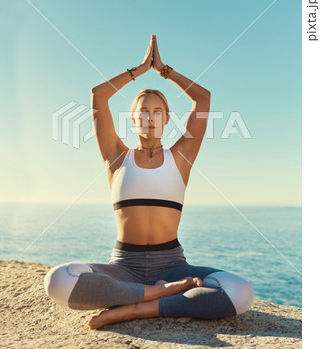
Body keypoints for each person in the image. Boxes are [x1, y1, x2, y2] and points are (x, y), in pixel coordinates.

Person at [44, 35, 254, 330]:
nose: (150, 118)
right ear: (132, 119)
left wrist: (166, 72)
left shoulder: (180, 157)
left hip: (173, 266)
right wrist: (140, 70)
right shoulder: (117, 157)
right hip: (123, 267)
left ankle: (135, 309)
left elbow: (203, 98)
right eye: (143, 111)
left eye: (157, 112)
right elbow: (98, 95)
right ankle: (153, 294)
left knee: (240, 291)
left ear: (167, 119)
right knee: (57, 280)